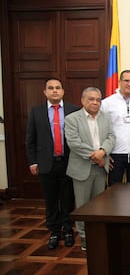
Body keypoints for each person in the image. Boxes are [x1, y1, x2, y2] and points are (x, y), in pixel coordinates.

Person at [25, 78, 80, 250]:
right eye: (51, 88)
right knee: (50, 200)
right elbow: (30, 140)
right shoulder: (37, 112)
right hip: (46, 164)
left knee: (68, 199)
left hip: (68, 162)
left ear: (63, 91)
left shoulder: (73, 110)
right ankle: (54, 231)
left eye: (58, 88)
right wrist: (33, 161)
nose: (54, 91)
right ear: (45, 92)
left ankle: (68, 229)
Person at [65, 87, 115, 251]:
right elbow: (74, 143)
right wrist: (96, 156)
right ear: (83, 100)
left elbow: (111, 137)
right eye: (91, 99)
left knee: (98, 205)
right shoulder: (72, 119)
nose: (95, 102)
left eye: (98, 100)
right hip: (82, 169)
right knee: (82, 206)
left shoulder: (106, 118)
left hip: (100, 170)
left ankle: (97, 235)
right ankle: (85, 238)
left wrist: (103, 152)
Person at [100, 70, 130, 185]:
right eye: (126, 81)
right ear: (119, 82)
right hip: (115, 154)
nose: (129, 84)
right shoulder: (107, 103)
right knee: (114, 190)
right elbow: (101, 129)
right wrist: (105, 153)